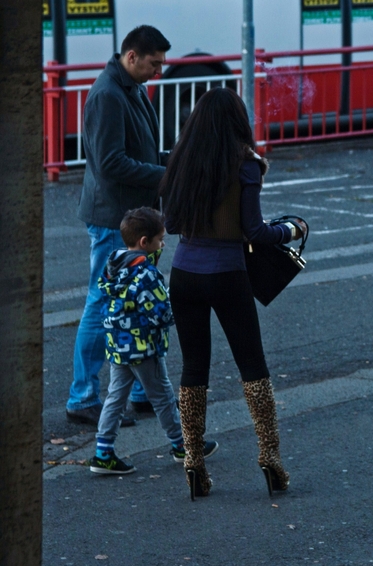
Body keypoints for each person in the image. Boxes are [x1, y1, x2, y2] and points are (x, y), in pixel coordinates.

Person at [159, 87, 307, 500]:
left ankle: (194, 463)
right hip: (227, 273)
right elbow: (255, 232)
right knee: (252, 366)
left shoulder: (181, 162)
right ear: (238, 122)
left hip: (184, 273)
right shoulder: (246, 166)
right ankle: (271, 459)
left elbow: (170, 225)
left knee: (193, 368)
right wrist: (292, 230)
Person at [66, 25, 171, 428]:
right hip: (115, 219)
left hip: (131, 217)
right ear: (132, 57)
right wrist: (165, 173)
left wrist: (171, 162)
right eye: (154, 63)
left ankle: (143, 392)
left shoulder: (127, 87)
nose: (158, 71)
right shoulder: (108, 94)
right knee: (102, 303)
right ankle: (82, 396)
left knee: (135, 302)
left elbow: (137, 151)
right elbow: (110, 164)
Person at [89, 208, 218, 475]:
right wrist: (178, 303)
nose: (163, 244)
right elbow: (162, 314)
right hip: (143, 347)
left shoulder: (114, 264)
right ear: (145, 242)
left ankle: (103, 452)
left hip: (119, 344)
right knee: (163, 396)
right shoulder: (146, 275)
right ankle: (182, 445)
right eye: (160, 239)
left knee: (115, 396)